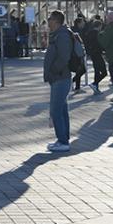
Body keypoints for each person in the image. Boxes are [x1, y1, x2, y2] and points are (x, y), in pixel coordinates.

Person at [43, 10, 73, 153]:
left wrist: (53, 71)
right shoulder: (58, 34)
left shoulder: (61, 35)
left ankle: (63, 141)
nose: (48, 21)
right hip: (60, 77)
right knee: (62, 110)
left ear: (56, 21)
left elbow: (64, 56)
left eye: (50, 18)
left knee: (56, 111)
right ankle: (63, 139)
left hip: (61, 77)